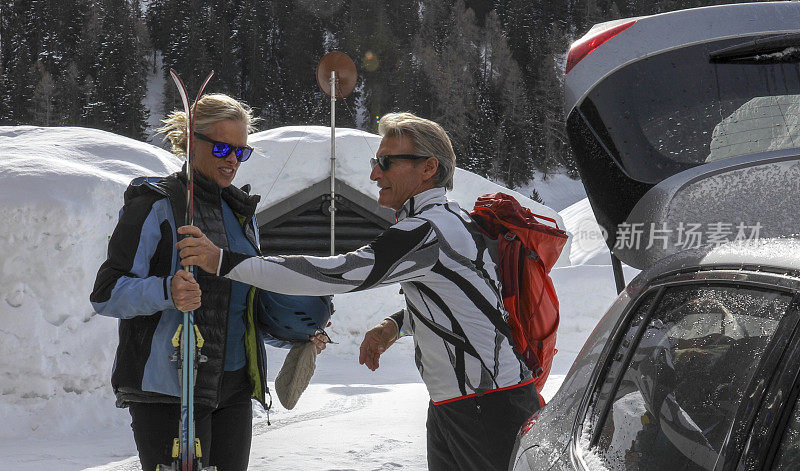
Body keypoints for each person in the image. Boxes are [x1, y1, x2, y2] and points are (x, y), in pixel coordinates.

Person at [175, 112, 539, 470]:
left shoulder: (428, 230)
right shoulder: (451, 220)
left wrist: (222, 261)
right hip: (464, 404)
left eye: (385, 162)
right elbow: (463, 303)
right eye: (374, 161)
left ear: (428, 168)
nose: (374, 173)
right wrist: (396, 325)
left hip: (485, 406)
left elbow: (338, 273)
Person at [89, 94, 328, 471]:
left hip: (233, 387)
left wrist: (294, 331)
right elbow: (106, 293)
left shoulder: (241, 215)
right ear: (189, 142)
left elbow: (240, 307)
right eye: (221, 148)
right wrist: (167, 291)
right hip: (170, 389)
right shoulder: (154, 204)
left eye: (240, 151)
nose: (232, 160)